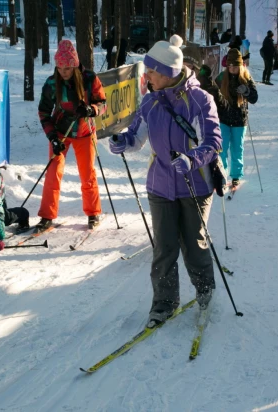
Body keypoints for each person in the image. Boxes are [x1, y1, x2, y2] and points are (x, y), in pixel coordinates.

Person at [108, 35, 223, 325]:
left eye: (151, 72)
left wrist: (191, 159)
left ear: (168, 73)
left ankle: (205, 291)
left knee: (194, 244)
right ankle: (163, 303)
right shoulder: (150, 102)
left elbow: (213, 142)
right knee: (164, 248)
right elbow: (137, 137)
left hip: (194, 184)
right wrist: (122, 142)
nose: (146, 76)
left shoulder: (200, 100)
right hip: (160, 184)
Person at [36, 40, 107, 231]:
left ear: (74, 65)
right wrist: (52, 136)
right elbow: (43, 112)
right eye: (60, 68)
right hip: (61, 132)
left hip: (84, 131)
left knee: (87, 173)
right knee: (53, 172)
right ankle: (46, 216)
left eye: (67, 68)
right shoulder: (52, 83)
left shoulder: (89, 78)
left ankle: (93, 213)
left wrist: (91, 110)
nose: (63, 72)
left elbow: (102, 103)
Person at [214, 49, 258, 186]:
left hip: (239, 119)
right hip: (223, 119)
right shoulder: (221, 77)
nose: (232, 68)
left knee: (237, 149)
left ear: (240, 65)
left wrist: (247, 92)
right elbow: (212, 94)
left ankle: (236, 176)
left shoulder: (246, 78)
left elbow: (254, 98)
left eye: (235, 65)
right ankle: (222, 174)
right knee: (221, 149)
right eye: (230, 65)